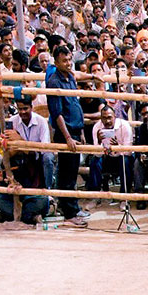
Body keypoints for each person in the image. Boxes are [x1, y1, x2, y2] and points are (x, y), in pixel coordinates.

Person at [44, 41, 88, 227]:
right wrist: (68, 136)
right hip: (66, 132)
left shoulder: (70, 76)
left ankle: (73, 206)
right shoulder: (54, 82)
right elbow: (57, 113)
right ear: (56, 62)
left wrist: (81, 130)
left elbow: (75, 104)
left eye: (69, 60)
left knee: (72, 170)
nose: (68, 63)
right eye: (64, 61)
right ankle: (69, 211)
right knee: (67, 172)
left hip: (76, 128)